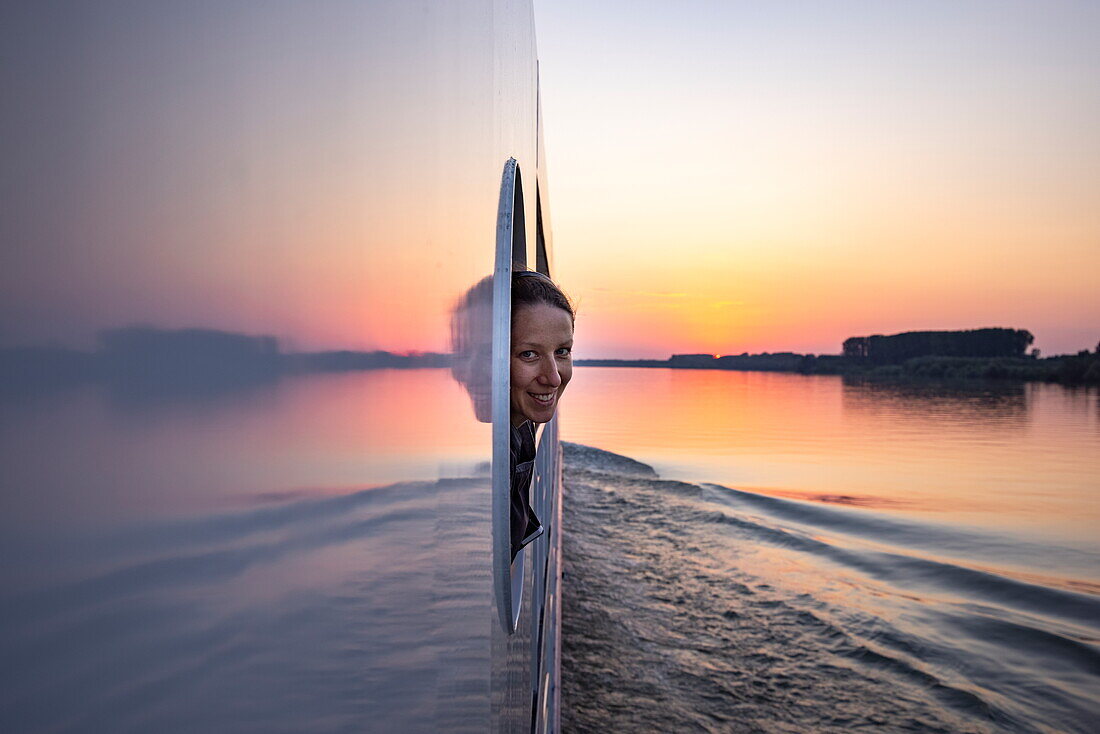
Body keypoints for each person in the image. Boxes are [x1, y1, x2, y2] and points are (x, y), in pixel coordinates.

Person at [508, 267, 574, 560]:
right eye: (529, 354)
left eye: (562, 352)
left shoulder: (520, 428)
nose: (554, 378)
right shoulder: (488, 453)